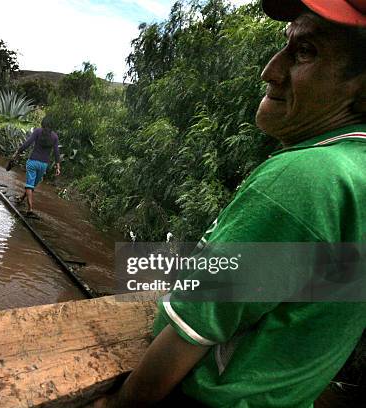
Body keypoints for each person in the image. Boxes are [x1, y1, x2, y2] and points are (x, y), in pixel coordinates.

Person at [93, 0, 366, 407]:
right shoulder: (354, 171)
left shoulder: (306, 178)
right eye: (285, 45)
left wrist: (119, 404)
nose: (270, 71)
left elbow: (196, 329)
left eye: (306, 52)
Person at [12, 116, 61, 216]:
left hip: (33, 162)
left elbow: (27, 143)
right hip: (44, 165)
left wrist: (18, 152)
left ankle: (30, 209)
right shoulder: (55, 137)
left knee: (30, 185)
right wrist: (58, 166)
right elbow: (56, 152)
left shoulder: (38, 131)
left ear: (43, 123)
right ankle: (21, 198)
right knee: (32, 185)